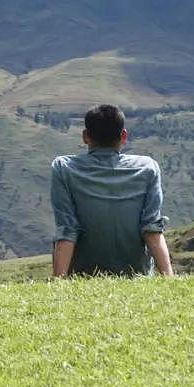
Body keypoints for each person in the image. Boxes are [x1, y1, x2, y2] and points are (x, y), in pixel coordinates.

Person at [49, 104, 174, 278]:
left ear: (85, 136)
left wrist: (58, 281)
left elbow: (67, 229)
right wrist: (168, 276)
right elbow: (151, 228)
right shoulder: (147, 168)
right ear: (123, 136)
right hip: (136, 275)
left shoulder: (64, 168)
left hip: (82, 273)